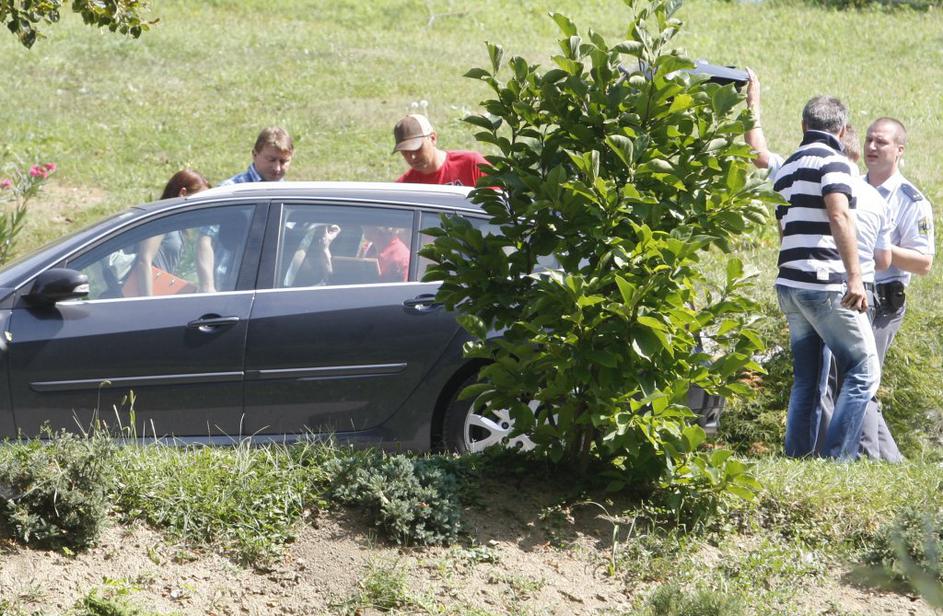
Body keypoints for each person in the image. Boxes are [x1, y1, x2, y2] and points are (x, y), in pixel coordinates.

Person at [773, 95, 880, 460]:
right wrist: (855, 278)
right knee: (864, 370)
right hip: (825, 281)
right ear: (842, 129)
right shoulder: (835, 162)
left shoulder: (787, 165)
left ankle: (798, 458)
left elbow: (784, 227)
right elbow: (840, 216)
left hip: (790, 283)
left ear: (804, 126)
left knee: (807, 376)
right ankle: (837, 460)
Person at [863, 117, 935, 460]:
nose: (872, 148)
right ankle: (889, 462)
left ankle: (885, 461)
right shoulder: (851, 187)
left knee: (861, 379)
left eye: (881, 142)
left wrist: (886, 252)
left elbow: (924, 263)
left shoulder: (911, 200)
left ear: (899, 150)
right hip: (850, 292)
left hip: (884, 299)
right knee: (854, 380)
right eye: (869, 141)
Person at [129, 169, 210, 296]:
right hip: (143, 296)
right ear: (183, 193)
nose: (203, 206)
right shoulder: (161, 221)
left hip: (160, 292)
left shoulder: (176, 226)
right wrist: (148, 303)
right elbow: (144, 261)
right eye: (200, 199)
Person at [392, 114, 487, 186]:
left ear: (433, 138)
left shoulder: (471, 164)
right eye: (405, 151)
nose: (412, 157)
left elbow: (499, 203)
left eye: (417, 148)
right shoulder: (405, 187)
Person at [221, 126, 294, 185]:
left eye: (283, 161)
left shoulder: (292, 195)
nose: (277, 168)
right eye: (271, 160)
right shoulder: (229, 191)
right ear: (255, 155)